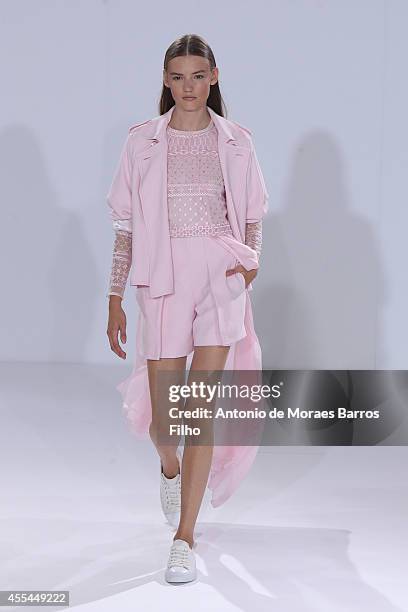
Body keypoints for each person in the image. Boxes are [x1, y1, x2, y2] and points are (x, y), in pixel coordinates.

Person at [105, 34, 269, 584]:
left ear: (214, 77)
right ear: (165, 80)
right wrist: (114, 297)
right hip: (162, 280)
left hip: (218, 279)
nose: (188, 87)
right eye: (177, 77)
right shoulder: (141, 143)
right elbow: (124, 228)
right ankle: (169, 467)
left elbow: (252, 218)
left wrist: (248, 268)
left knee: (199, 410)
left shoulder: (238, 142)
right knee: (164, 417)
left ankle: (185, 537)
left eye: (198, 76)